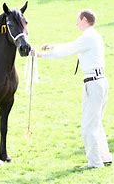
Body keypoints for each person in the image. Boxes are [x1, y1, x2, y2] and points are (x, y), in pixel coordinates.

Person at [36, 10, 112, 168]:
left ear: (84, 19)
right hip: (100, 82)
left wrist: (42, 55)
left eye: (77, 20)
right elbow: (72, 46)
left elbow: (68, 50)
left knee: (88, 126)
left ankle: (95, 163)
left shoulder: (88, 37)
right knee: (96, 123)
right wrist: (52, 46)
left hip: (93, 84)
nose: (76, 23)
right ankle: (104, 157)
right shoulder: (93, 36)